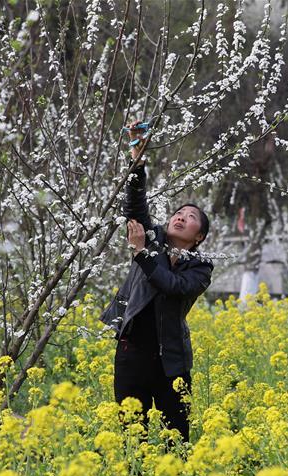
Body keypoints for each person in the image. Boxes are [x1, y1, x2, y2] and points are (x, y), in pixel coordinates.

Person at [100, 121, 213, 443]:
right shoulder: (151, 239)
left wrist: (140, 254)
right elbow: (135, 207)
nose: (180, 217)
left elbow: (173, 287)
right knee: (131, 435)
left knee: (175, 437)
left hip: (170, 360)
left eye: (190, 217)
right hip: (131, 353)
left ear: (199, 236)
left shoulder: (200, 268)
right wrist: (138, 161)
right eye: (178, 212)